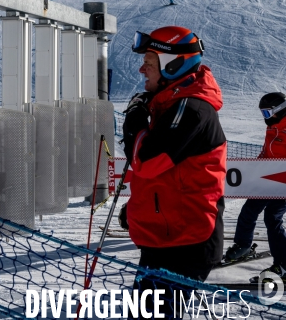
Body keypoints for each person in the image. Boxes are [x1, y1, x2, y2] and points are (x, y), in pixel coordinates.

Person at [121, 25, 226, 317]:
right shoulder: (168, 104)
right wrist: (136, 205)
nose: (143, 69)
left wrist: (134, 119)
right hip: (164, 236)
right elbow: (171, 175)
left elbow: (147, 160)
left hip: (185, 243)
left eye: (150, 63)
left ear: (173, 65)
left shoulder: (191, 108)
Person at [225, 92, 286, 282]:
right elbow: (266, 154)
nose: (264, 119)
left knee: (272, 217)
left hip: (283, 184)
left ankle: (284, 265)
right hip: (267, 180)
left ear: (279, 110)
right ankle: (243, 246)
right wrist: (253, 171)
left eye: (267, 114)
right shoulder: (273, 128)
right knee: (249, 209)